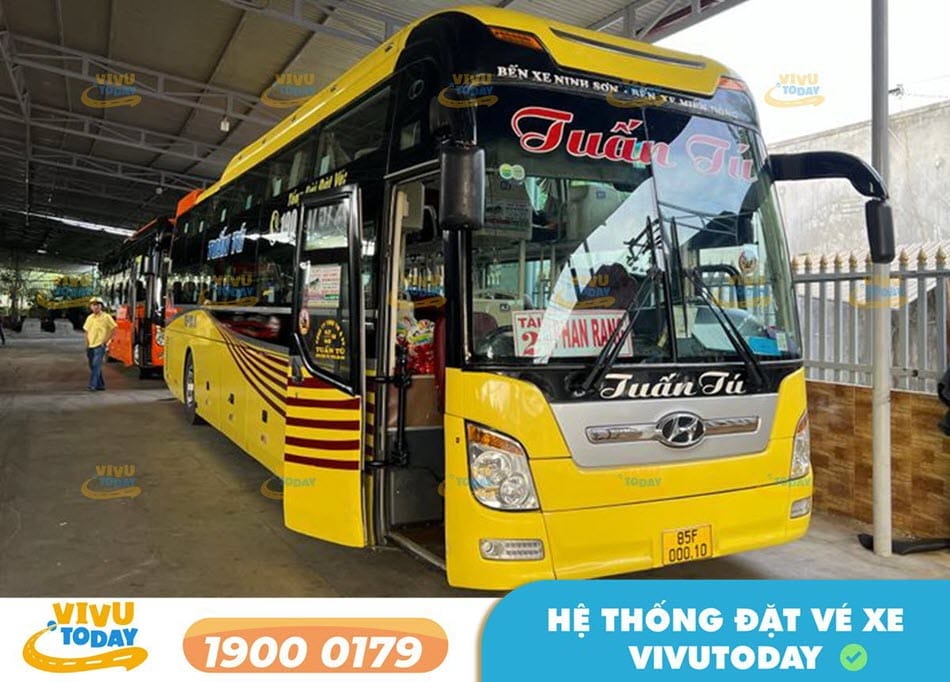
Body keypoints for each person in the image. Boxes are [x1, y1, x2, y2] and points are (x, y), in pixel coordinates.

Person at [83, 297, 116, 391]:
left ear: (101, 306)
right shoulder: (90, 318)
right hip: (90, 346)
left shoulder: (106, 317)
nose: (95, 307)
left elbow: (113, 329)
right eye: (93, 305)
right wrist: (87, 343)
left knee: (96, 365)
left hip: (100, 346)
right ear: (91, 307)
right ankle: (100, 385)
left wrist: (105, 341)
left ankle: (92, 385)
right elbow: (86, 331)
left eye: (97, 305)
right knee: (93, 366)